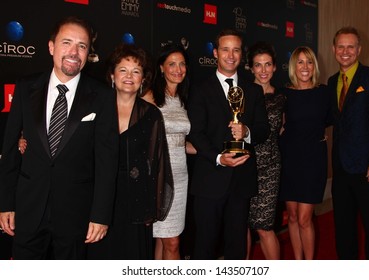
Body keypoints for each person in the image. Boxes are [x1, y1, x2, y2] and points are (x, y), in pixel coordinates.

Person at [0, 16, 119, 259]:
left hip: (76, 214)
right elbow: (10, 149)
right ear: (51, 47)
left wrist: (100, 215)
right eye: (67, 43)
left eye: (82, 46)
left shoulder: (103, 96)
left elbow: (107, 160)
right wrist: (6, 203)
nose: (74, 52)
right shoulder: (25, 87)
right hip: (28, 208)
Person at [187, 29, 270, 260]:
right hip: (209, 179)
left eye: (236, 50)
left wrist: (247, 132)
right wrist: (218, 158)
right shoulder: (200, 89)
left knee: (237, 246)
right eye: (225, 49)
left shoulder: (253, 90)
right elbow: (196, 132)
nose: (231, 55)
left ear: (241, 55)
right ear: (215, 53)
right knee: (204, 245)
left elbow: (264, 129)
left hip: (241, 182)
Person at [87, 43, 174, 259]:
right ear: (112, 75)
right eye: (123, 70)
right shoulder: (94, 108)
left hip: (135, 198)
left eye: (136, 71)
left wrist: (151, 207)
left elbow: (157, 163)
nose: (129, 76)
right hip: (98, 196)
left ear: (143, 79)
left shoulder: (151, 115)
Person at [328, 27, 369, 259]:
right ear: (334, 49)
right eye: (341, 46)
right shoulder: (332, 80)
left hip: (368, 170)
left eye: (350, 46)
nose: (345, 52)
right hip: (341, 171)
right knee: (344, 230)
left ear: (359, 49)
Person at [278, 46, 331, 260]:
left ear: (314, 66)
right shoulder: (284, 94)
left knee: (304, 218)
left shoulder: (324, 92)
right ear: (293, 66)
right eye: (300, 62)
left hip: (312, 161)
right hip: (289, 160)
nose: (305, 67)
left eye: (309, 62)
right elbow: (280, 125)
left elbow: (330, 120)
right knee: (291, 216)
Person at [150, 44, 192, 260]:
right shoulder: (151, 98)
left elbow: (180, 141)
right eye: (172, 64)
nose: (178, 69)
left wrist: (215, 152)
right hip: (160, 178)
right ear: (161, 68)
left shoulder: (183, 100)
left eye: (182, 63)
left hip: (181, 176)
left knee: (164, 239)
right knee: (172, 242)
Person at [246, 41, 285, 260]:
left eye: (268, 64)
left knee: (264, 226)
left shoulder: (281, 98)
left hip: (269, 166)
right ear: (251, 68)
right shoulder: (240, 94)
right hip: (243, 165)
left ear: (275, 67)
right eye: (258, 65)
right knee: (240, 223)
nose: (263, 70)